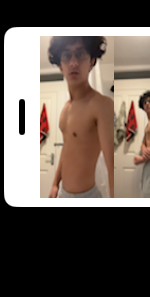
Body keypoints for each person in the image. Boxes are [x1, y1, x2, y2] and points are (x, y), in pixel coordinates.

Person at [47, 36, 115, 200]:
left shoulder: (102, 105)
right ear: (60, 66)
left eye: (80, 54)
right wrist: (55, 183)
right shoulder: (65, 109)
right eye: (66, 55)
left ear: (92, 62)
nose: (73, 63)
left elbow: (112, 165)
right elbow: (67, 147)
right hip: (63, 195)